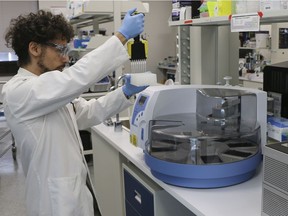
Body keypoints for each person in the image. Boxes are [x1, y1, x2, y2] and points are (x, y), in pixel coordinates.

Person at [2, 8, 147, 216]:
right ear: (34, 48)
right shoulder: (18, 91)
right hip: (55, 204)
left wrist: (124, 93)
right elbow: (76, 78)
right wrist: (121, 36)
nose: (65, 58)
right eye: (59, 50)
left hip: (75, 191)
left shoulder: (49, 90)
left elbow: (88, 112)